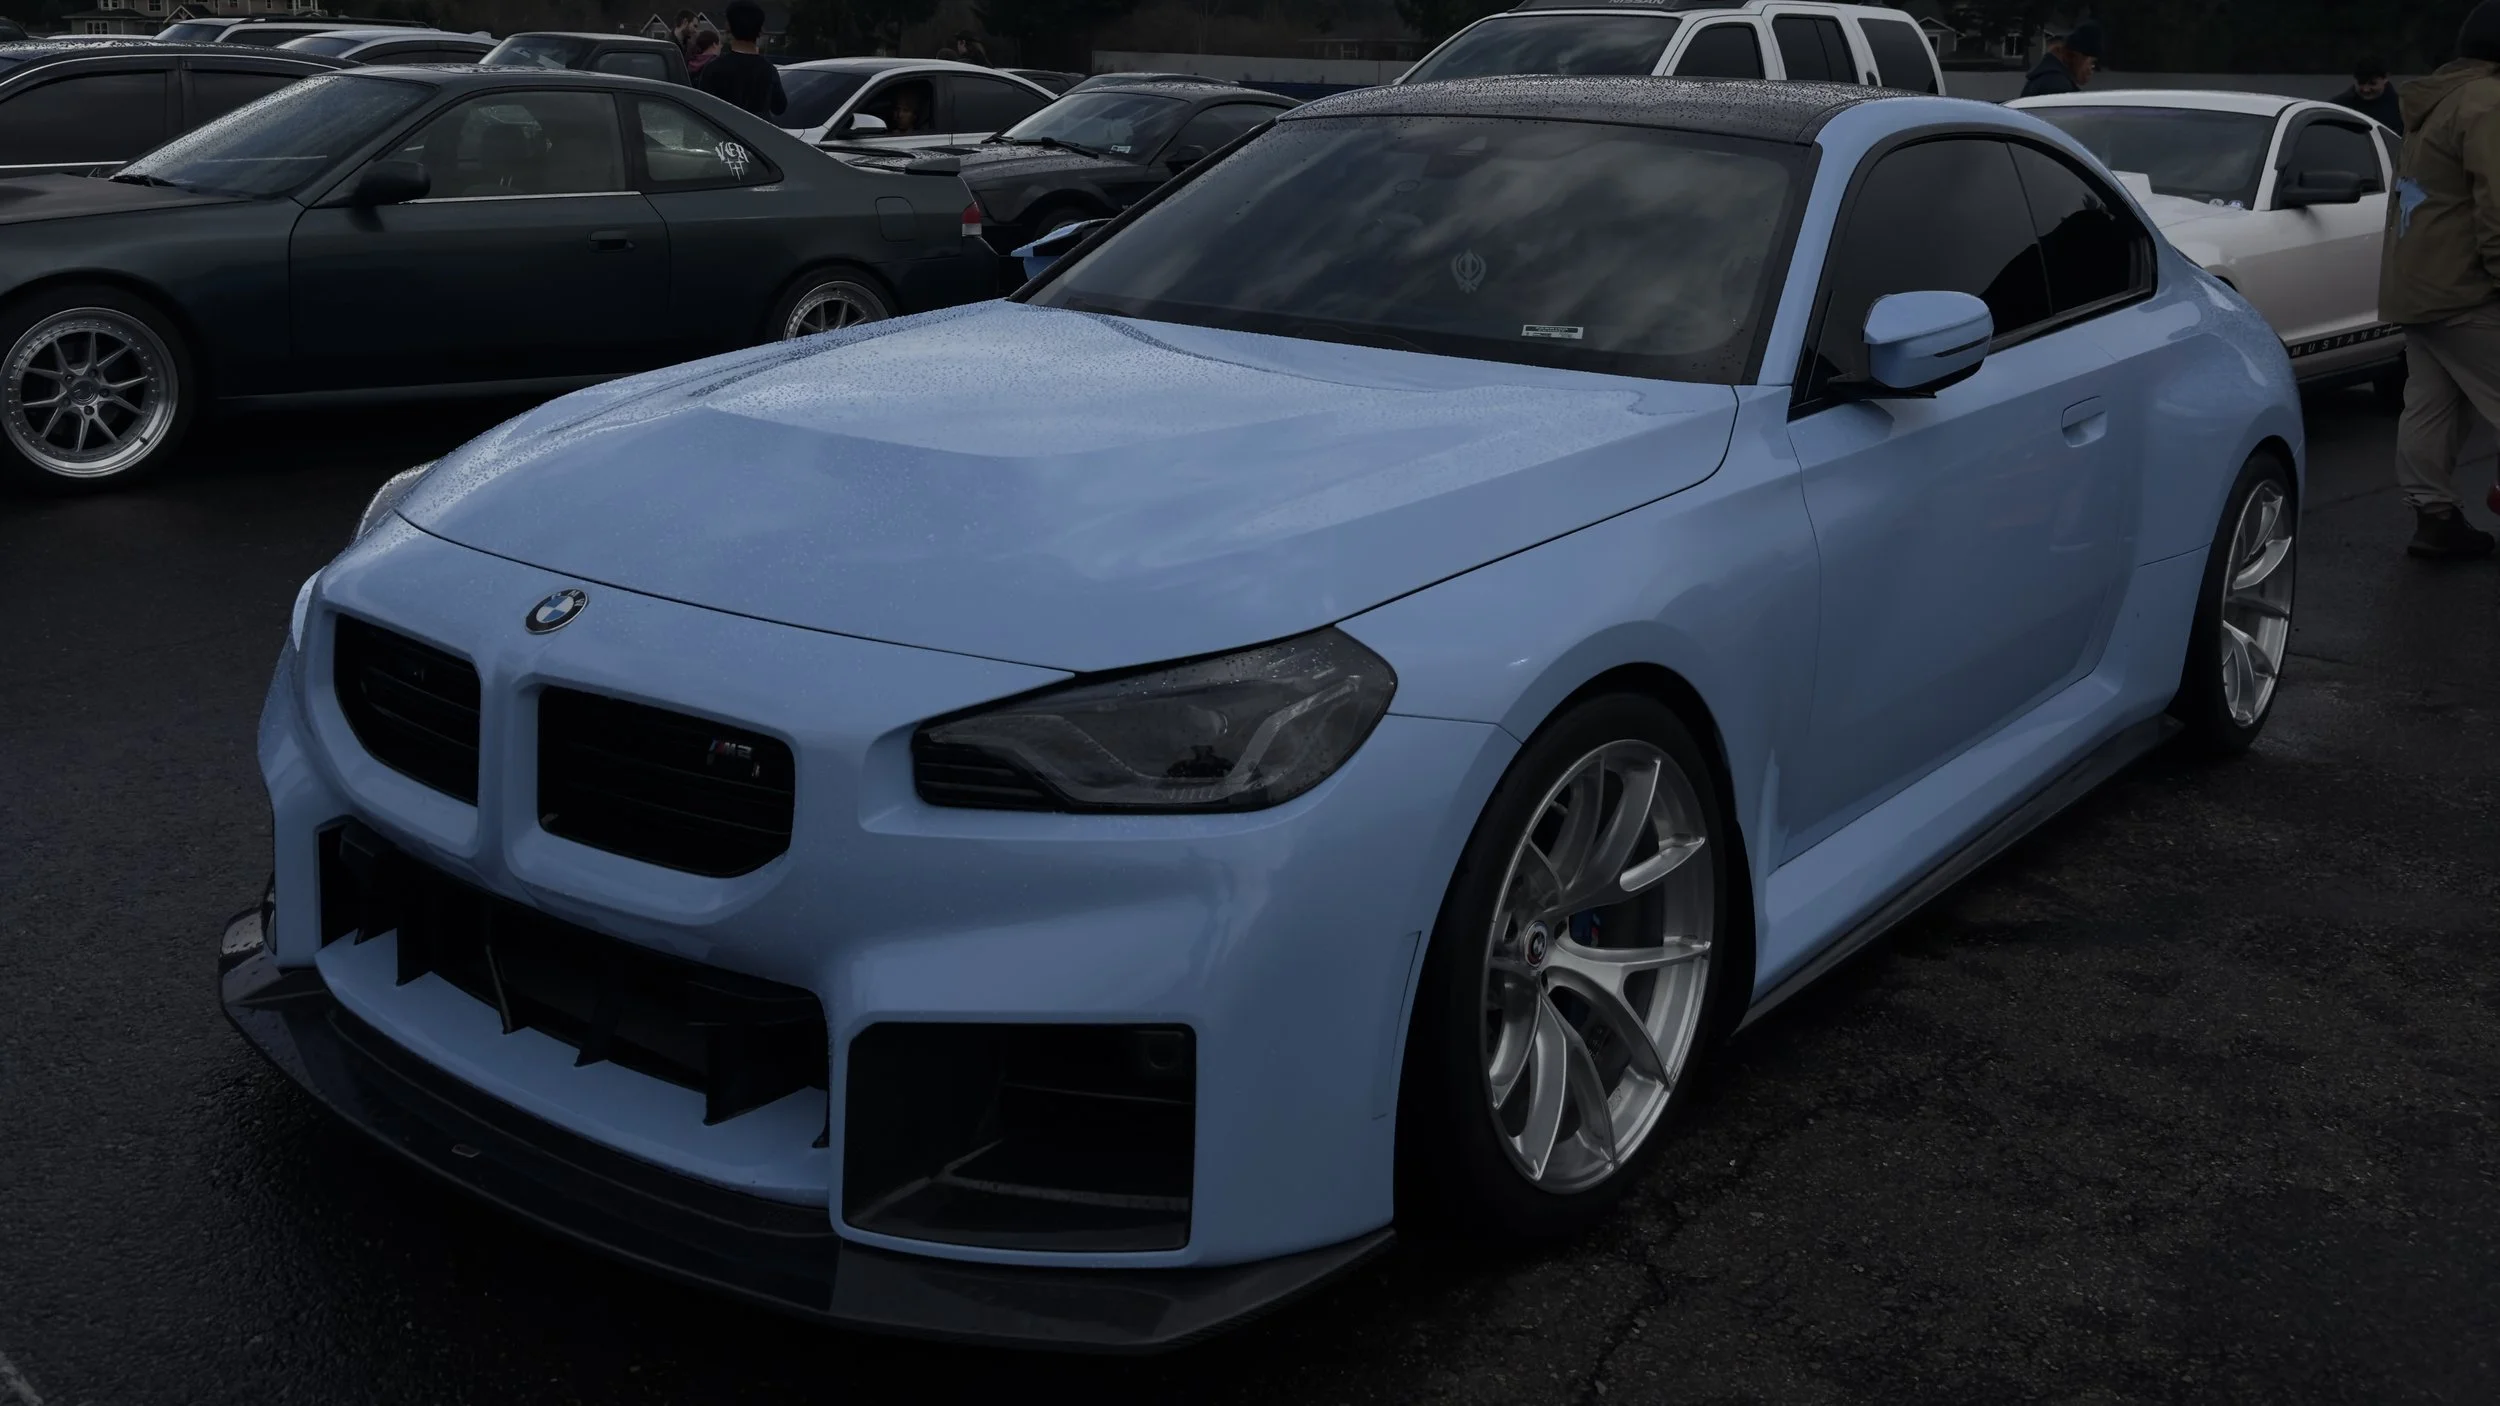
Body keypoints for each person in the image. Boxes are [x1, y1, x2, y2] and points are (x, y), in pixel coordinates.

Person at [2381, 0, 2500, 558]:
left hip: (2417, 287)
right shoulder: (2488, 102)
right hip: (2466, 290)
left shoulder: (2435, 102)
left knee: (2432, 405)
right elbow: (2497, 205)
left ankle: (2434, 520)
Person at [694, 0, 786, 121]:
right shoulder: (769, 70)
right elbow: (779, 108)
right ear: (760, 31)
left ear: (728, 27)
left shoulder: (713, 69)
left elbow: (701, 109)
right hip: (757, 137)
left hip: (722, 135)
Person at [2019, 22, 2100, 98]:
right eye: (2091, 63)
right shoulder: (2057, 85)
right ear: (2075, 57)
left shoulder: (2045, 78)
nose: (2091, 70)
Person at [2337, 58, 2406, 133]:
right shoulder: (2339, 106)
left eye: (2372, 83)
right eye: (2361, 83)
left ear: (2386, 78)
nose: (2366, 89)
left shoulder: (2402, 108)